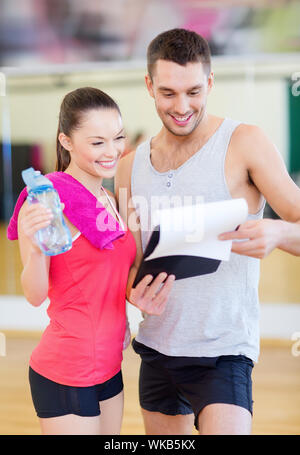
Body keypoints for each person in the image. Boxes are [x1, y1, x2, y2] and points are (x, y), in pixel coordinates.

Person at [115, 28, 300, 435]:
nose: (182, 106)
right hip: (157, 349)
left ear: (210, 83)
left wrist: (279, 234)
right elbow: (132, 262)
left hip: (223, 352)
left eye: (194, 92)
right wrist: (134, 289)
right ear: (148, 85)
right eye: (168, 93)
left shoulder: (244, 142)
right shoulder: (128, 167)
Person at [7, 87, 169, 435]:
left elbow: (113, 276)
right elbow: (35, 295)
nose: (112, 152)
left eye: (118, 138)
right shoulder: (48, 203)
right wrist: (35, 250)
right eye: (97, 143)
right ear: (66, 141)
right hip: (66, 369)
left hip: (110, 364)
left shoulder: (110, 199)